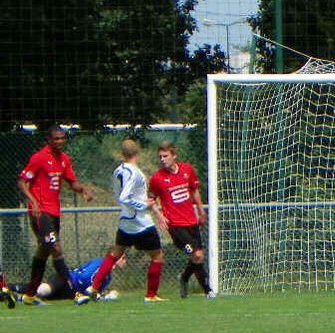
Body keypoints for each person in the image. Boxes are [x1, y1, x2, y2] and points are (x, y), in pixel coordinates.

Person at [17, 125, 94, 305]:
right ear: (49, 140)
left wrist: (82, 190)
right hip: (40, 211)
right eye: (56, 139)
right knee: (56, 248)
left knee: (44, 251)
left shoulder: (64, 159)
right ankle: (74, 292)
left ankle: (29, 295)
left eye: (62, 138)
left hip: (54, 211)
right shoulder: (39, 158)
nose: (60, 141)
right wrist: (34, 202)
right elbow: (22, 182)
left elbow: (71, 182)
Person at [88, 139, 167, 303]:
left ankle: (94, 287)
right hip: (140, 220)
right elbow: (125, 197)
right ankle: (151, 295)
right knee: (157, 256)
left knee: (115, 254)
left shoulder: (118, 171)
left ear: (122, 154)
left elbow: (118, 196)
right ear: (138, 152)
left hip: (125, 219)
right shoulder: (135, 173)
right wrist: (143, 205)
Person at [148, 140, 216, 298]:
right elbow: (150, 200)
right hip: (175, 226)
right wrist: (160, 216)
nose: (162, 159)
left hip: (192, 221)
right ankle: (208, 291)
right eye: (160, 157)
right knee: (196, 255)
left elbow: (194, 191)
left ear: (174, 156)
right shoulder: (157, 178)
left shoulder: (187, 170)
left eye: (165, 156)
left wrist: (200, 210)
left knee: (199, 255)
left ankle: (184, 277)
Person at [9, 255, 126, 304]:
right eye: (123, 257)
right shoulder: (100, 264)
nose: (125, 260)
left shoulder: (108, 276)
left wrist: (103, 297)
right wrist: (86, 292)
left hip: (71, 292)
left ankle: (14, 297)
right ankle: (8, 286)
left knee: (42, 298)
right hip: (66, 280)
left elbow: (94, 292)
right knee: (42, 291)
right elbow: (83, 278)